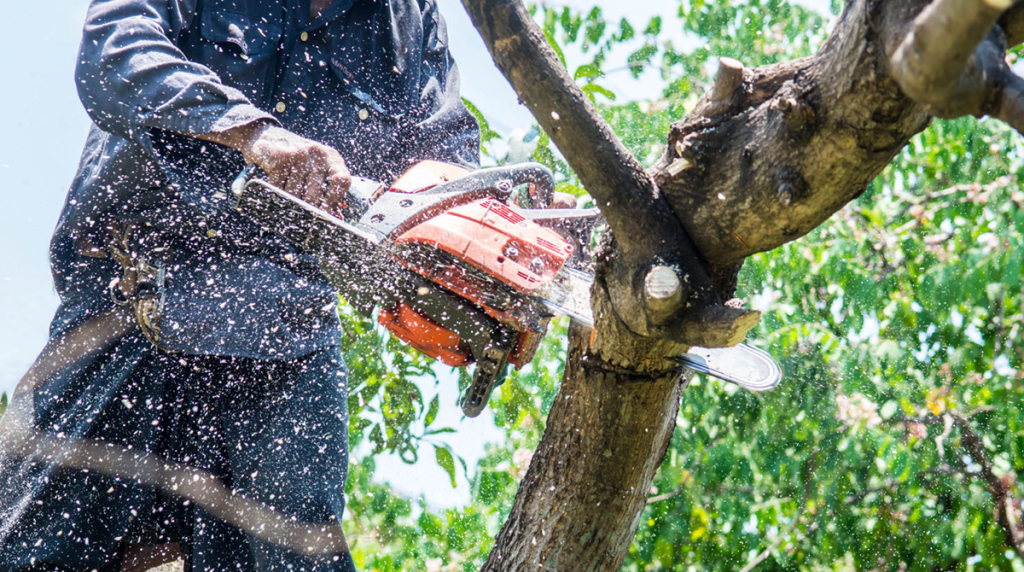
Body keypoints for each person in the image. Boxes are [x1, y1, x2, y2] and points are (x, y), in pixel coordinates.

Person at [0, 0, 479, 570]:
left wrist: (499, 229)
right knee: (35, 548)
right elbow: (113, 52)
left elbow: (442, 172)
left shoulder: (407, 21)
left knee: (300, 556)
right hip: (135, 301)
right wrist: (250, 132)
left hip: (286, 333)